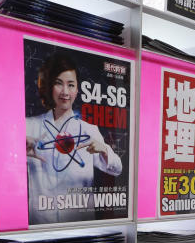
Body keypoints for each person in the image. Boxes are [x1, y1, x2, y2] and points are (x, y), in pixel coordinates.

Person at [26, 52, 123, 224]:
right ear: (50, 87)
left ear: (77, 90)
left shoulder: (89, 130)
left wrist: (105, 150)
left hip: (79, 223)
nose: (65, 92)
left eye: (71, 85)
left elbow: (117, 169)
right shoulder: (29, 126)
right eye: (58, 84)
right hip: (40, 223)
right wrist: (19, 153)